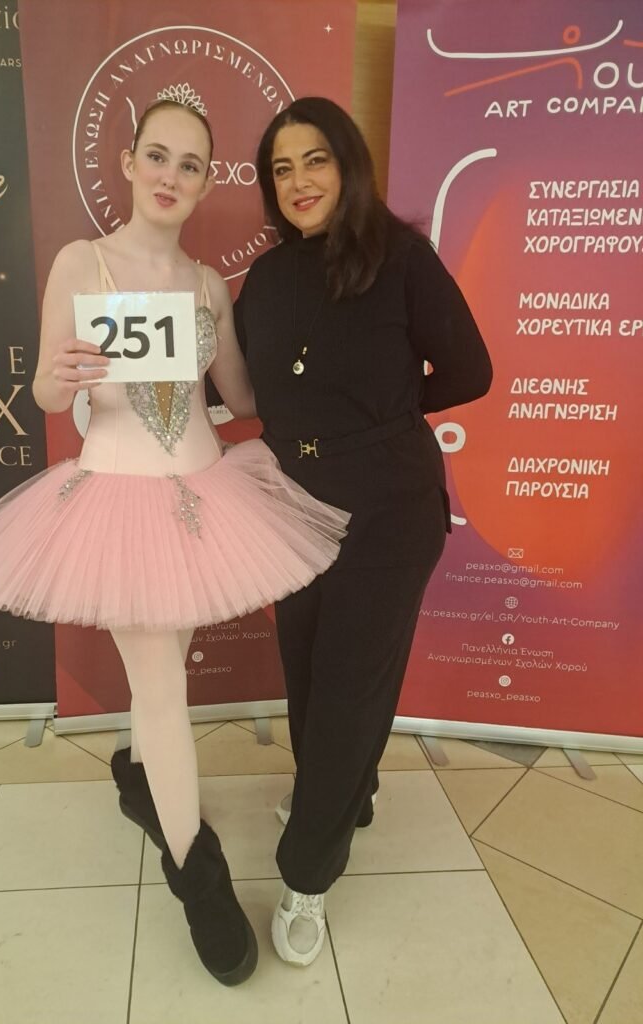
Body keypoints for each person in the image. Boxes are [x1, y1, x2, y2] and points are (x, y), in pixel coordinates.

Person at [0, 96, 350, 986]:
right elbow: (50, 393)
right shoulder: (81, 263)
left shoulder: (208, 286)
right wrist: (59, 378)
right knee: (164, 687)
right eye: (158, 157)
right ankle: (197, 877)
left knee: (166, 670)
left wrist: (325, 351)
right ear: (129, 164)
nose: (171, 176)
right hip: (116, 500)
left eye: (191, 165)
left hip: (203, 501)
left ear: (207, 183)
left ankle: (140, 775)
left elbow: (241, 397)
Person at [232, 97, 492, 967]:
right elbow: (243, 390)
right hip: (293, 501)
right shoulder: (267, 279)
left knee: (349, 685)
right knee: (309, 672)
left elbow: (471, 370)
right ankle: (350, 793)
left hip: (389, 507)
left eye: (315, 160)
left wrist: (385, 414)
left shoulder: (400, 257)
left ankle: (307, 871)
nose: (299, 181)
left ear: (348, 165)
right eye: (281, 168)